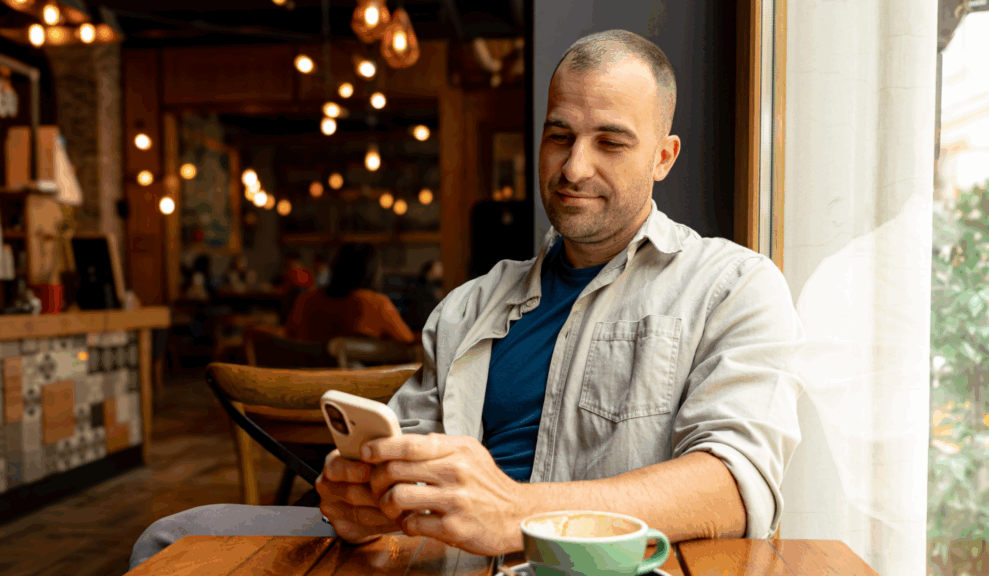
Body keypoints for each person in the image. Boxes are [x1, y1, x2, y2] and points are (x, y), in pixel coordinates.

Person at [129, 29, 803, 569]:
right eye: (560, 135)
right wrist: (358, 498)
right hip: (432, 558)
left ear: (664, 155)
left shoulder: (734, 287)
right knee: (171, 536)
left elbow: (734, 485)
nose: (573, 168)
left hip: (586, 564)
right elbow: (401, 461)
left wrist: (516, 510)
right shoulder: (468, 306)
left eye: (610, 142)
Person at [283, 243, 414, 344]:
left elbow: (289, 337)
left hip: (309, 377)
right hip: (363, 379)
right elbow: (407, 342)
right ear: (373, 272)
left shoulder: (305, 301)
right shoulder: (377, 304)